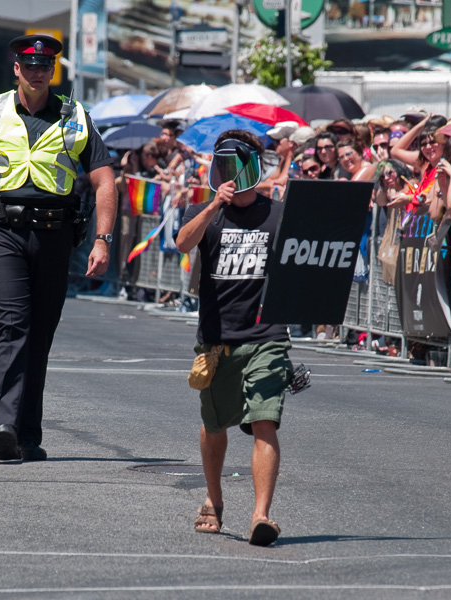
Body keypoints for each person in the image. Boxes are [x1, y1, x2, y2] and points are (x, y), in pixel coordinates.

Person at [0, 33, 117, 461]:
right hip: (1, 233)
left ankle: (26, 432)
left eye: (46, 66)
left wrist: (102, 238)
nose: (39, 72)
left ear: (52, 71)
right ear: (17, 69)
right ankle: (4, 423)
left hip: (55, 235)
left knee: (39, 333)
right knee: (14, 324)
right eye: (31, 65)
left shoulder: (76, 115)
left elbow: (103, 179)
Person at [175, 129, 293, 547]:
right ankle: (214, 497)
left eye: (235, 166)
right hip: (217, 338)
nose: (229, 175)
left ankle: (262, 515)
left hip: (267, 335)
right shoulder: (204, 212)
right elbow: (181, 244)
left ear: (253, 168)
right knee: (214, 424)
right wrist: (213, 206)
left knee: (264, 420)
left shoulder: (278, 214)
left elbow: (307, 261)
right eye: (221, 167)